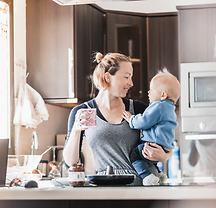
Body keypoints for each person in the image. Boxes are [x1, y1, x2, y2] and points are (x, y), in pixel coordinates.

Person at [63, 52, 172, 185]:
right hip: (107, 189)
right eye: (126, 77)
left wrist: (165, 155)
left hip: (145, 187)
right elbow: (71, 163)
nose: (131, 83)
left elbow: (166, 136)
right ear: (108, 77)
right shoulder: (82, 112)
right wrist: (76, 129)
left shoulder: (137, 109)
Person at [122, 69, 181, 185]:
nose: (148, 92)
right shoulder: (170, 109)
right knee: (149, 160)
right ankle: (159, 175)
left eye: (152, 90)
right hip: (164, 146)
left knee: (135, 155)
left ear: (163, 95)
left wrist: (131, 119)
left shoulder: (158, 107)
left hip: (152, 143)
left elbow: (144, 120)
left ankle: (147, 176)